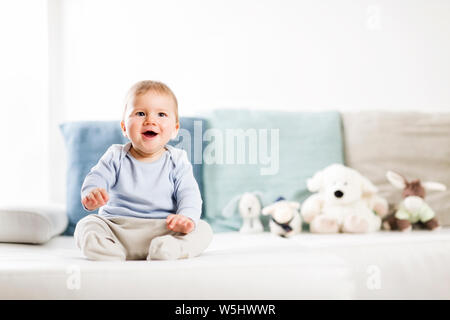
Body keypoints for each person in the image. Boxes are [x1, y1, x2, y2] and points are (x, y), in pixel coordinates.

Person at [74, 80, 213, 261]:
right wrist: (91, 194)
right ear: (124, 127)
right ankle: (107, 250)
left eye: (161, 114)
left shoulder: (177, 161)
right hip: (116, 229)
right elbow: (96, 178)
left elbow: (190, 194)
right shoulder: (115, 156)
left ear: (175, 129)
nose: (150, 120)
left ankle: (169, 249)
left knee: (202, 229)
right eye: (140, 113)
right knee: (87, 225)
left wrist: (185, 219)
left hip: (163, 230)